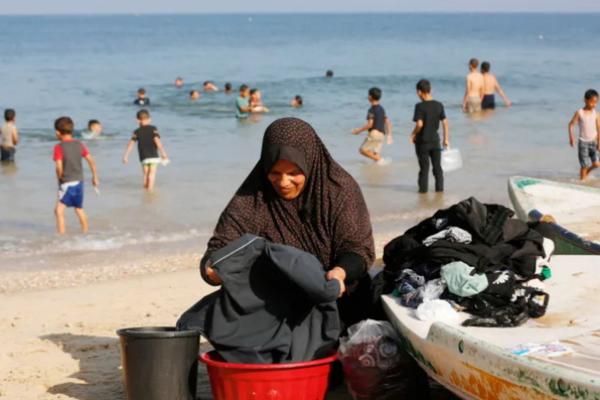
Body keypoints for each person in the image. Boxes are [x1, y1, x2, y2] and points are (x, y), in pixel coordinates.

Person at [200, 117, 375, 327]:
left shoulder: (340, 190)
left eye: (293, 173)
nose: (283, 182)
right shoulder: (253, 196)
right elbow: (219, 248)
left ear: (310, 163)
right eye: (274, 173)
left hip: (340, 300)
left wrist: (339, 273)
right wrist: (212, 271)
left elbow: (359, 249)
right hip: (279, 307)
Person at [52, 116, 99, 234]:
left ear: (57, 132)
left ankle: (61, 236)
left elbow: (58, 167)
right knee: (79, 208)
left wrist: (60, 177)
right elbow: (91, 160)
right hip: (79, 181)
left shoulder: (58, 147)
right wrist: (95, 177)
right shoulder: (79, 144)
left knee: (58, 211)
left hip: (67, 182)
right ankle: (86, 232)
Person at [411, 79, 450, 193]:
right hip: (435, 141)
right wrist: (446, 139)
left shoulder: (419, 106)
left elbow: (419, 124)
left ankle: (423, 194)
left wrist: (413, 134)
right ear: (430, 90)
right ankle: (439, 193)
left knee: (424, 169)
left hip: (422, 142)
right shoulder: (439, 105)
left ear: (419, 92)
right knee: (437, 168)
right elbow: (445, 122)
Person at [122, 109, 169, 191]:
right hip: (153, 155)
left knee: (145, 174)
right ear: (149, 119)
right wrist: (163, 153)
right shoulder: (153, 128)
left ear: (137, 120)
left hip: (143, 156)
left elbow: (130, 144)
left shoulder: (136, 131)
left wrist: (126, 156)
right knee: (152, 173)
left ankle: (145, 189)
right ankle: (150, 190)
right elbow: (157, 141)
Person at [352, 87, 393, 163]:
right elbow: (387, 121)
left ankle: (381, 160)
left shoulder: (371, 110)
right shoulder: (382, 109)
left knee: (362, 150)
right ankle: (380, 167)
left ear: (370, 97)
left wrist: (358, 131)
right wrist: (389, 134)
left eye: (368, 95)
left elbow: (370, 124)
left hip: (374, 134)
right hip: (382, 135)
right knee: (375, 154)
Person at [568, 89, 600, 181]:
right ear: (585, 100)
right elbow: (571, 124)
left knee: (597, 164)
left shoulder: (596, 114)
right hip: (583, 143)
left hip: (594, 141)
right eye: (592, 102)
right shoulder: (580, 113)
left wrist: (599, 142)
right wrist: (571, 138)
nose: (594, 104)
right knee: (584, 165)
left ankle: (586, 174)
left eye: (596, 102)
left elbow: (599, 128)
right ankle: (582, 182)